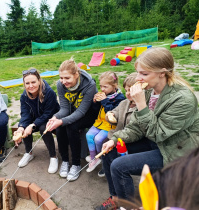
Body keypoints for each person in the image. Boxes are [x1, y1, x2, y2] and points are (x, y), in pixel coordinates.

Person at [95, 47, 199, 210]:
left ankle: (129, 206)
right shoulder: (150, 90)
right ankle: (116, 199)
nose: (138, 78)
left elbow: (159, 134)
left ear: (162, 73)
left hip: (175, 151)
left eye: (143, 74)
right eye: (138, 73)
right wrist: (115, 139)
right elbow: (137, 126)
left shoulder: (183, 99)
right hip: (155, 141)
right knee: (110, 152)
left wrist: (141, 104)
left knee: (119, 165)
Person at [47, 57, 99, 181]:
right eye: (61, 78)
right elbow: (64, 108)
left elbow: (82, 111)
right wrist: (55, 118)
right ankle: (65, 160)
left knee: (71, 126)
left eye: (67, 78)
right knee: (59, 127)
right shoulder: (60, 85)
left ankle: (76, 164)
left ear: (76, 74)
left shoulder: (89, 84)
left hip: (90, 113)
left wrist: (63, 120)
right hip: (74, 111)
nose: (63, 81)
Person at [13, 68, 60, 173]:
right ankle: (28, 153)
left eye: (33, 82)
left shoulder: (49, 93)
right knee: (24, 127)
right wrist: (21, 127)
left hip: (51, 118)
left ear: (39, 80)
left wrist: (32, 125)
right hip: (36, 119)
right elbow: (25, 114)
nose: (30, 86)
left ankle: (53, 156)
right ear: (24, 84)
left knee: (44, 128)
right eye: (27, 83)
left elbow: (48, 114)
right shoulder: (24, 96)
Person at [85, 71, 125, 175]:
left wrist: (104, 101)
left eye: (105, 87)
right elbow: (95, 110)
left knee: (98, 139)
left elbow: (112, 113)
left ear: (114, 85)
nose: (102, 89)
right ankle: (94, 158)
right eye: (101, 86)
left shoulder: (120, 98)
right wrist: (95, 102)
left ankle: (101, 157)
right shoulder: (104, 95)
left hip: (110, 125)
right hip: (100, 122)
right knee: (89, 135)